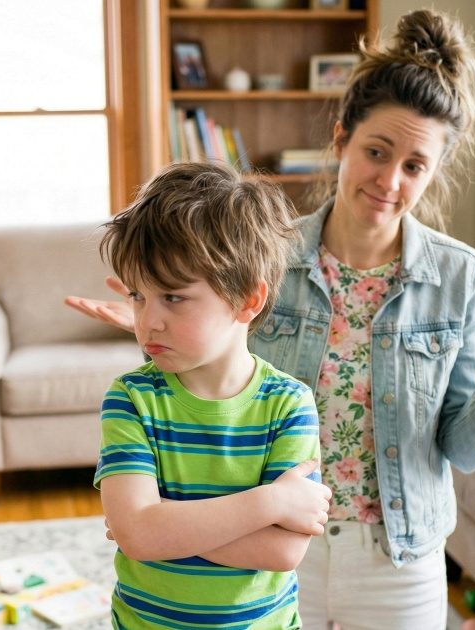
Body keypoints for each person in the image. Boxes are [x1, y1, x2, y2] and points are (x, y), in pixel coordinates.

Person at [70, 9, 475, 630]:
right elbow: (210, 390)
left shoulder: (459, 276)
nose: (389, 180)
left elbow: (462, 451)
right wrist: (165, 306)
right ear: (341, 139)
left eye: (415, 165)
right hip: (266, 541)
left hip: (398, 553)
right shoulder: (264, 255)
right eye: (376, 152)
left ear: (434, 171)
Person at [93, 161, 333, 629]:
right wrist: (269, 504)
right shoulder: (130, 399)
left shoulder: (289, 405)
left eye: (173, 297)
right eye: (138, 296)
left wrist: (160, 526)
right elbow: (138, 535)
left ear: (248, 298)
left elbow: (283, 551)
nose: (149, 321)